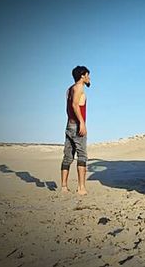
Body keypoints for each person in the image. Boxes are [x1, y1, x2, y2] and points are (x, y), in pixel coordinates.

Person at [61, 66, 91, 195]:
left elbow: (68, 108)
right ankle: (81, 188)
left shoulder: (69, 89)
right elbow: (74, 105)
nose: (89, 78)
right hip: (77, 126)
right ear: (82, 76)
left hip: (69, 125)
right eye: (88, 75)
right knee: (82, 156)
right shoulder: (79, 87)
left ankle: (63, 187)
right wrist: (82, 123)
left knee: (68, 157)